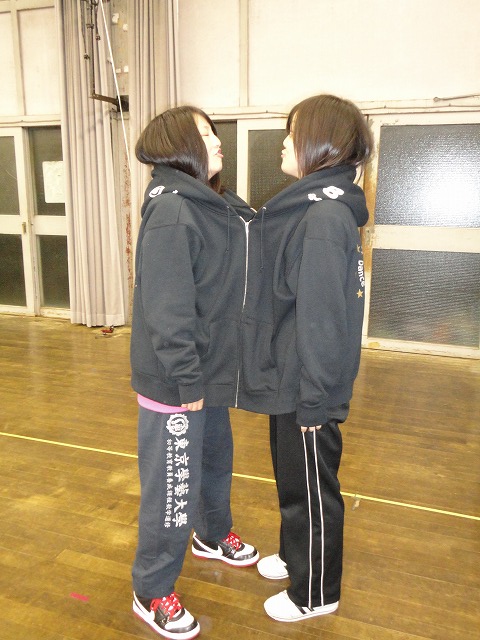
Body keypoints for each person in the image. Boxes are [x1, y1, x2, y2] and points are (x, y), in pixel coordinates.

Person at [235, 94, 373, 622]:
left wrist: (315, 399)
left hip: (308, 385)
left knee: (313, 490)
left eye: (293, 133)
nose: (285, 142)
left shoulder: (323, 217)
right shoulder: (316, 209)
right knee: (295, 480)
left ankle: (316, 592)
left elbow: (322, 320)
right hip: (292, 377)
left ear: (321, 144)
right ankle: (297, 556)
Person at [130, 105, 258, 640]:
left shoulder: (210, 203)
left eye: (214, 132)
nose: (217, 142)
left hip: (210, 373)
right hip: (177, 382)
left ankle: (212, 534)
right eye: (205, 135)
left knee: (215, 462)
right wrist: (186, 378)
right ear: (179, 146)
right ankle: (152, 588)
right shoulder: (173, 212)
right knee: (172, 489)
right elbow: (167, 310)